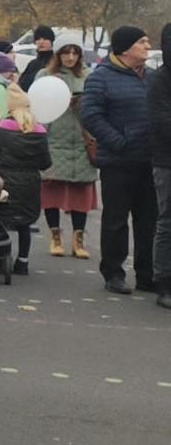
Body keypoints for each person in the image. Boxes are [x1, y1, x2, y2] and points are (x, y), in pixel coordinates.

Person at [81, 25, 155, 295]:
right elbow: (90, 115)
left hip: (151, 160)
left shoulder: (153, 77)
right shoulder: (101, 77)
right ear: (125, 48)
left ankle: (148, 274)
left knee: (150, 221)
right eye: (142, 42)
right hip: (118, 162)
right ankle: (113, 273)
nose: (148, 46)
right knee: (116, 220)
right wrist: (117, 141)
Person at [39, 44, 96, 259]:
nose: (70, 57)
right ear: (58, 54)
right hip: (55, 138)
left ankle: (78, 239)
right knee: (51, 189)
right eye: (66, 53)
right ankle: (55, 236)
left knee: (80, 191)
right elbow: (38, 106)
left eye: (75, 53)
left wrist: (81, 104)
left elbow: (98, 105)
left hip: (82, 140)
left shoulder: (89, 77)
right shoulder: (45, 75)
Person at [0, 112, 51, 275]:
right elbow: (45, 163)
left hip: (6, 179)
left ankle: (2, 258)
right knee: (24, 221)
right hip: (30, 182)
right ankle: (23, 262)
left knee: (2, 219)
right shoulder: (40, 135)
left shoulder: (1, 132)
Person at [150, 24, 171, 309]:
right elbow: (162, 122)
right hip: (167, 161)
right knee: (167, 222)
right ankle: (164, 282)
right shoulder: (160, 80)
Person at [18, 26, 56, 91]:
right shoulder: (32, 64)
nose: (41, 42)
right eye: (38, 39)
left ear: (51, 41)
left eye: (45, 39)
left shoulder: (56, 62)